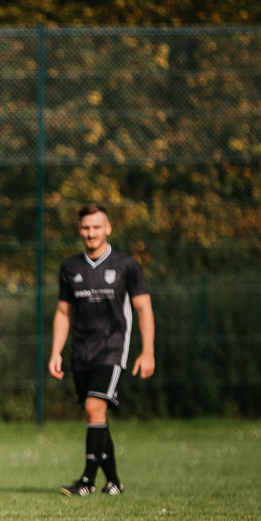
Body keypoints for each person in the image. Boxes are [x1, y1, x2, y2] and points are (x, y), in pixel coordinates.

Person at [49, 202, 155, 497]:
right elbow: (63, 313)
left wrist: (147, 351)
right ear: (79, 230)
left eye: (96, 227)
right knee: (96, 414)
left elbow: (144, 308)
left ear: (108, 228)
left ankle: (86, 480)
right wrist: (56, 351)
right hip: (81, 351)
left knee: (94, 407)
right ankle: (114, 481)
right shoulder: (70, 267)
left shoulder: (126, 264)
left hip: (113, 349)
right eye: (86, 227)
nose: (91, 233)